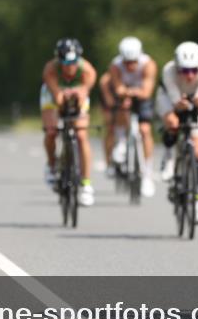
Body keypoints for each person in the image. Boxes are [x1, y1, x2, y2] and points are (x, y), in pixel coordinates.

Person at [157, 41, 198, 224]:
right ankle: (168, 156)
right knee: (173, 122)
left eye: (193, 70)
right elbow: (176, 101)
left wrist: (195, 105)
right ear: (177, 66)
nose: (189, 75)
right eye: (184, 70)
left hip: (196, 99)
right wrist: (179, 107)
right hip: (170, 97)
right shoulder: (168, 71)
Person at [41, 38, 97, 206]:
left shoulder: (87, 70)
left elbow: (84, 93)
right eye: (65, 62)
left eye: (73, 62)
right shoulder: (50, 69)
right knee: (51, 131)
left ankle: (86, 184)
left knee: (81, 135)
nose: (69, 67)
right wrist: (63, 98)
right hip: (53, 95)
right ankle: (51, 165)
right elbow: (57, 97)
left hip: (78, 95)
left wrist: (78, 97)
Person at [109, 36, 159, 198]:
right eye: (127, 62)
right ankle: (122, 142)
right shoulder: (115, 65)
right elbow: (117, 88)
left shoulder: (148, 64)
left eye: (133, 62)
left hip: (142, 97)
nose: (130, 66)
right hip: (126, 97)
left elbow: (146, 91)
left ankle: (147, 173)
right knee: (122, 107)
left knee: (145, 130)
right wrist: (126, 94)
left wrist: (129, 92)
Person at [97, 69, 117, 178]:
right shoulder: (105, 80)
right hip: (109, 101)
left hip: (124, 98)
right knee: (110, 127)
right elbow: (108, 101)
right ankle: (108, 161)